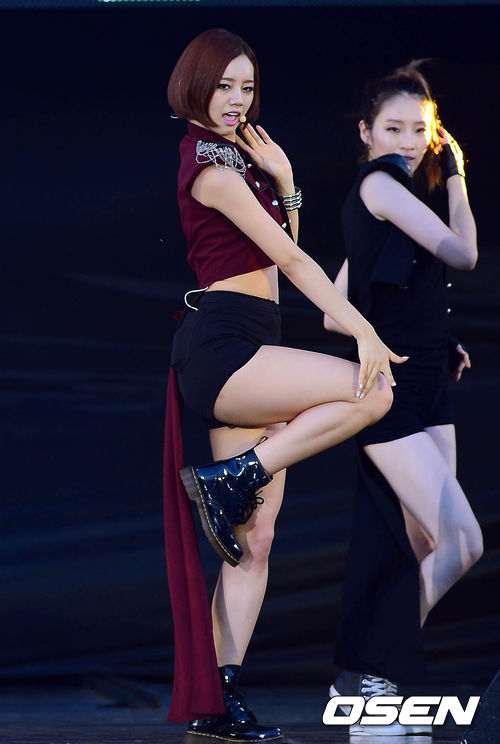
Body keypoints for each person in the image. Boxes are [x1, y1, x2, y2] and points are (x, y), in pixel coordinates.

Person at [163, 28, 407, 744]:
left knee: (256, 540)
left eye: (246, 87)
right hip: (223, 347)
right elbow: (297, 265)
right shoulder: (208, 166)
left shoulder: (238, 156)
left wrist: (285, 182)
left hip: (252, 341)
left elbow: (277, 249)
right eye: (223, 86)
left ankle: (218, 700)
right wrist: (362, 330)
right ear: (196, 85)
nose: (236, 99)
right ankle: (234, 476)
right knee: (373, 392)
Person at [324, 61, 484, 737]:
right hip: (388, 394)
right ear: (365, 132)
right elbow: (464, 254)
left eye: (420, 130)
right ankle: (370, 678)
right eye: (393, 129)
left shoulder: (388, 206)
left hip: (428, 386)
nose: (410, 142)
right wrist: (459, 176)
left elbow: (335, 309)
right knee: (462, 542)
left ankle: (370, 684)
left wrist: (434, 340)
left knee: (426, 546)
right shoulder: (380, 185)